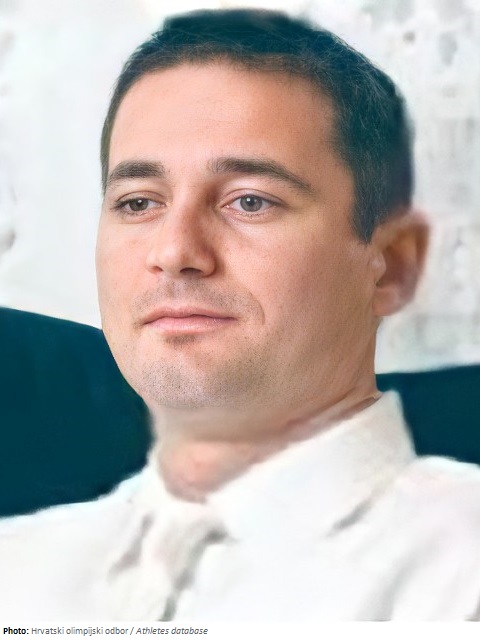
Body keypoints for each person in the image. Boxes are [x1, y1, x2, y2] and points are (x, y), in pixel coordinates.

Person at [1, 8, 480, 621]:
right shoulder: (17, 566)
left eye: (250, 201)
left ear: (390, 265)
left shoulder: (457, 574)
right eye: (139, 202)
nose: (174, 251)